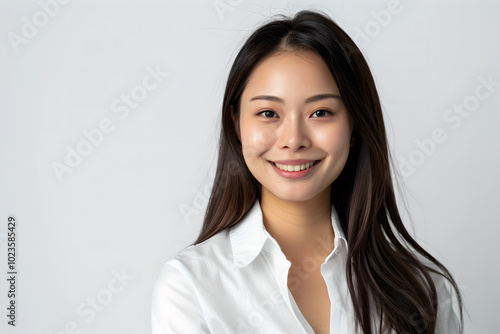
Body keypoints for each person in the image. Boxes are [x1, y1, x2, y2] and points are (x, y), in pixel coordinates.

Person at [151, 10, 464, 334]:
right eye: (269, 112)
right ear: (236, 123)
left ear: (354, 124)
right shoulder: (191, 288)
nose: (293, 140)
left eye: (320, 112)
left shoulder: (424, 291)